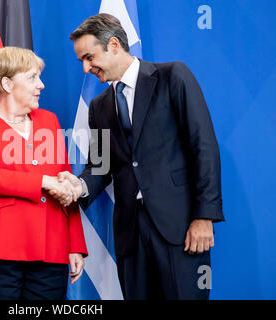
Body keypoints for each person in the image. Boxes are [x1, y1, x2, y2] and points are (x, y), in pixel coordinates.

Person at [55, 13, 224, 299]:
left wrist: (204, 216)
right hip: (130, 237)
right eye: (81, 61)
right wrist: (78, 186)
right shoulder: (99, 106)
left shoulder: (173, 76)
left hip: (180, 229)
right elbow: (100, 166)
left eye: (89, 57)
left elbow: (203, 146)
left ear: (113, 45)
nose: (85, 68)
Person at [0, 46, 87, 300]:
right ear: (6, 83)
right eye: (32, 77)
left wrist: (75, 245)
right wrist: (44, 181)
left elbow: (66, 182)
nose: (41, 85)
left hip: (51, 251)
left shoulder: (49, 120)